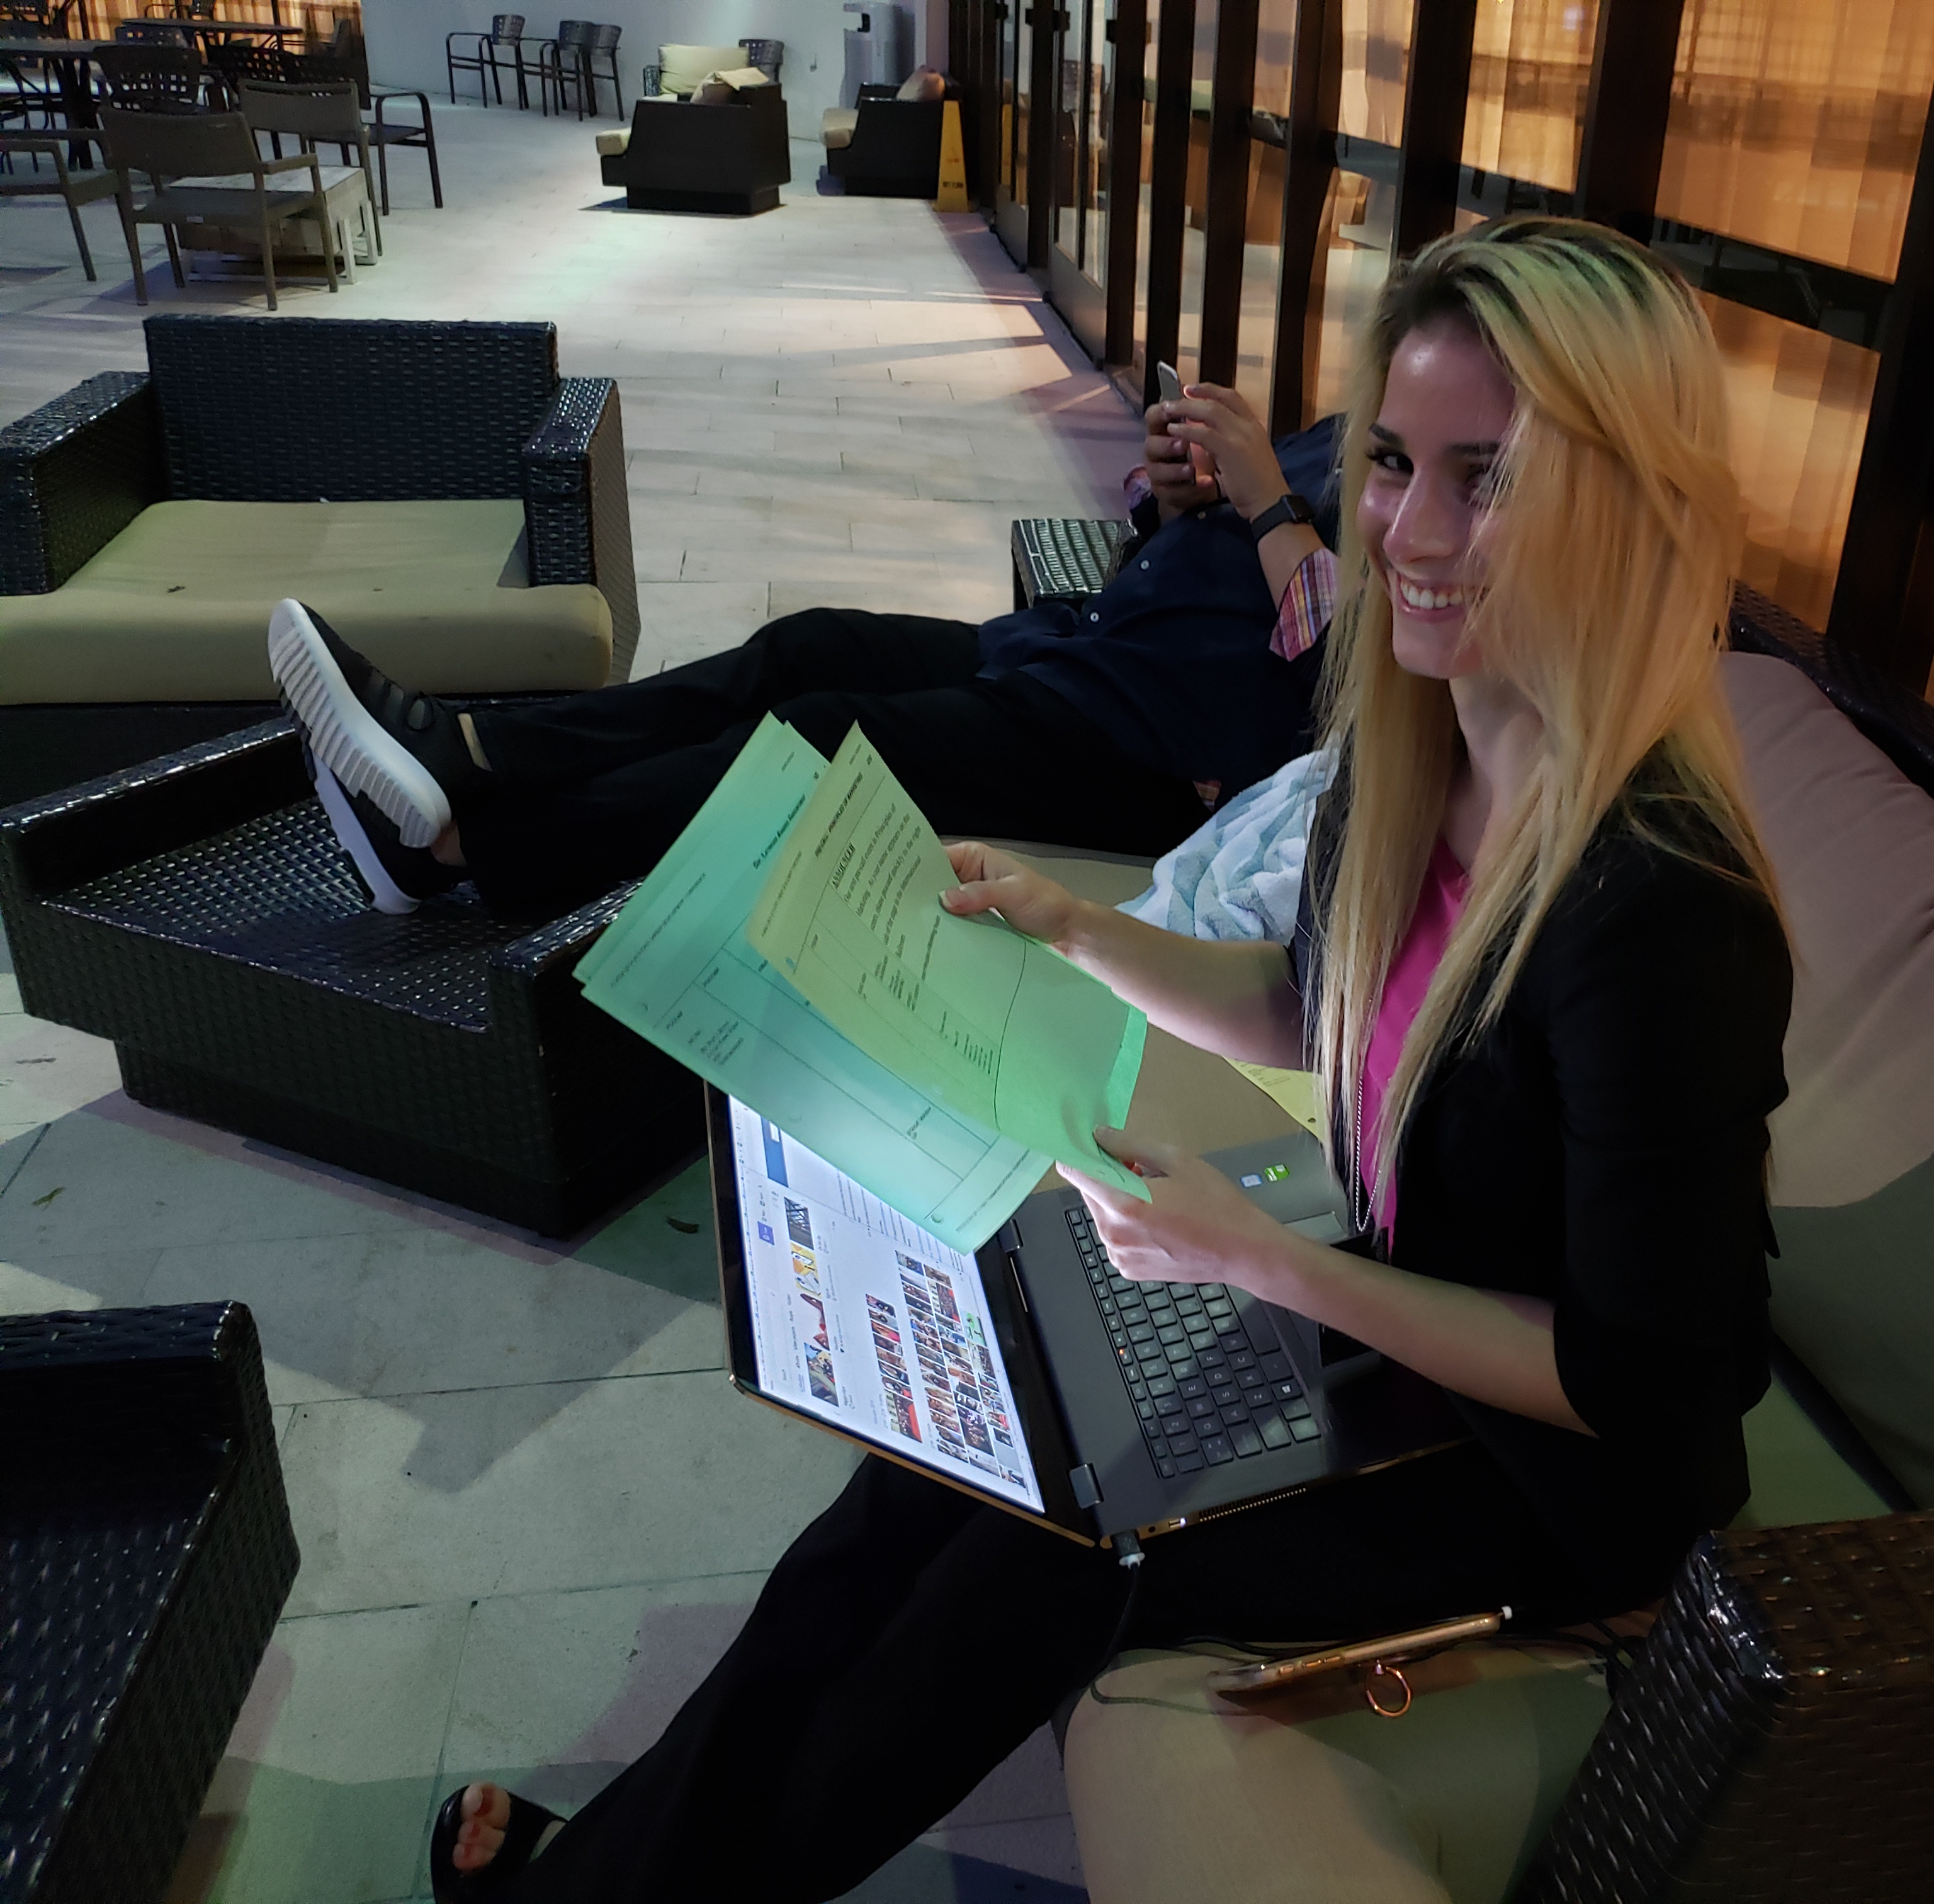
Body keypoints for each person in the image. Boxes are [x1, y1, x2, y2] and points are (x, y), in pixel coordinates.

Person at [422, 216, 1793, 1904]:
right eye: (1390, 463)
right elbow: (1315, 1010)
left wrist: (1265, 1260)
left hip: (1546, 1482)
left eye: (1487, 479)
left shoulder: (1661, 905)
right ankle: (624, 1871)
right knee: (930, 1480)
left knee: (1044, 1560)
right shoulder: (1421, 753)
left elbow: (1643, 1383)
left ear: (1627, 501)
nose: (1411, 533)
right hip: (1385, 1328)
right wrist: (1075, 932)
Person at [270, 402, 1344, 916]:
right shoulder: (1349, 436)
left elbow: (1341, 671)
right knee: (809, 644)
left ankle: (461, 847)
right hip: (1081, 650)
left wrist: (1267, 501)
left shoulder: (1426, 528)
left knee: (825, 740)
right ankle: (472, 749)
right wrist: (1178, 502)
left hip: (1155, 754)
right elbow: (1210, 574)